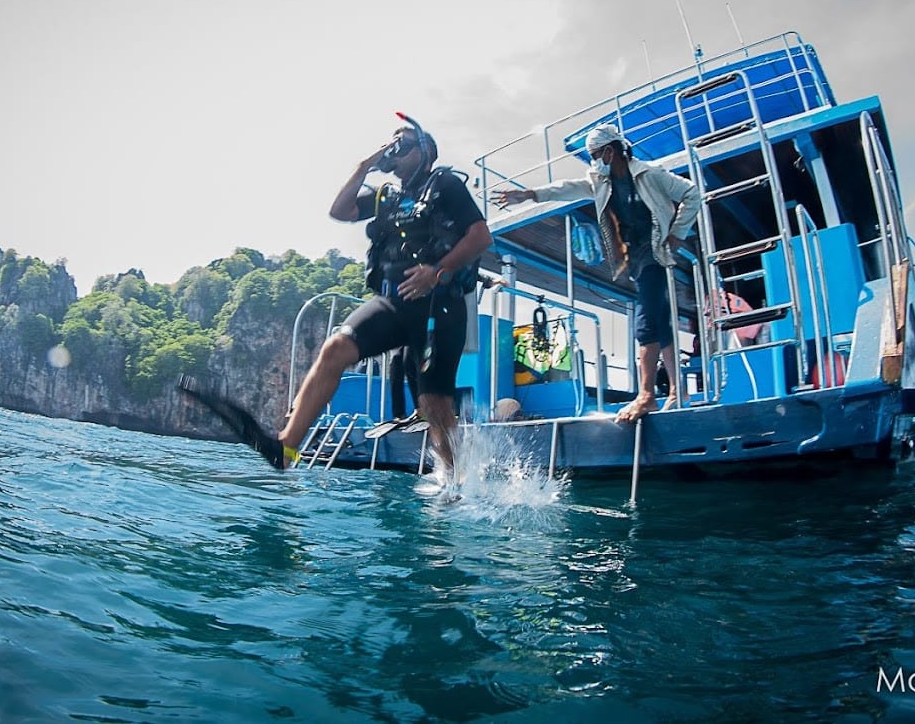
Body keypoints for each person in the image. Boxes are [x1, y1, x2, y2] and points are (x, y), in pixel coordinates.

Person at [276, 118, 492, 478]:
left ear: (428, 152)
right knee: (335, 349)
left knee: (433, 401)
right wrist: (364, 165)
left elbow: (480, 236)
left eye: (403, 145)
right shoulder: (386, 197)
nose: (395, 150)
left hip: (439, 304)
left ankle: (454, 483)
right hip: (395, 303)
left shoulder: (446, 184)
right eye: (391, 145)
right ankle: (285, 448)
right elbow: (339, 211)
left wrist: (437, 271)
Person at [493, 123, 700, 422]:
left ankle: (646, 395)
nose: (593, 160)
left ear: (610, 150)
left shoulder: (650, 173)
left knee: (645, 320)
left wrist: (678, 231)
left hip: (656, 250)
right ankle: (677, 390)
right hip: (636, 255)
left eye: (594, 154)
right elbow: (565, 188)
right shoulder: (599, 182)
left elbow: (691, 193)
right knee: (660, 319)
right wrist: (529, 194)